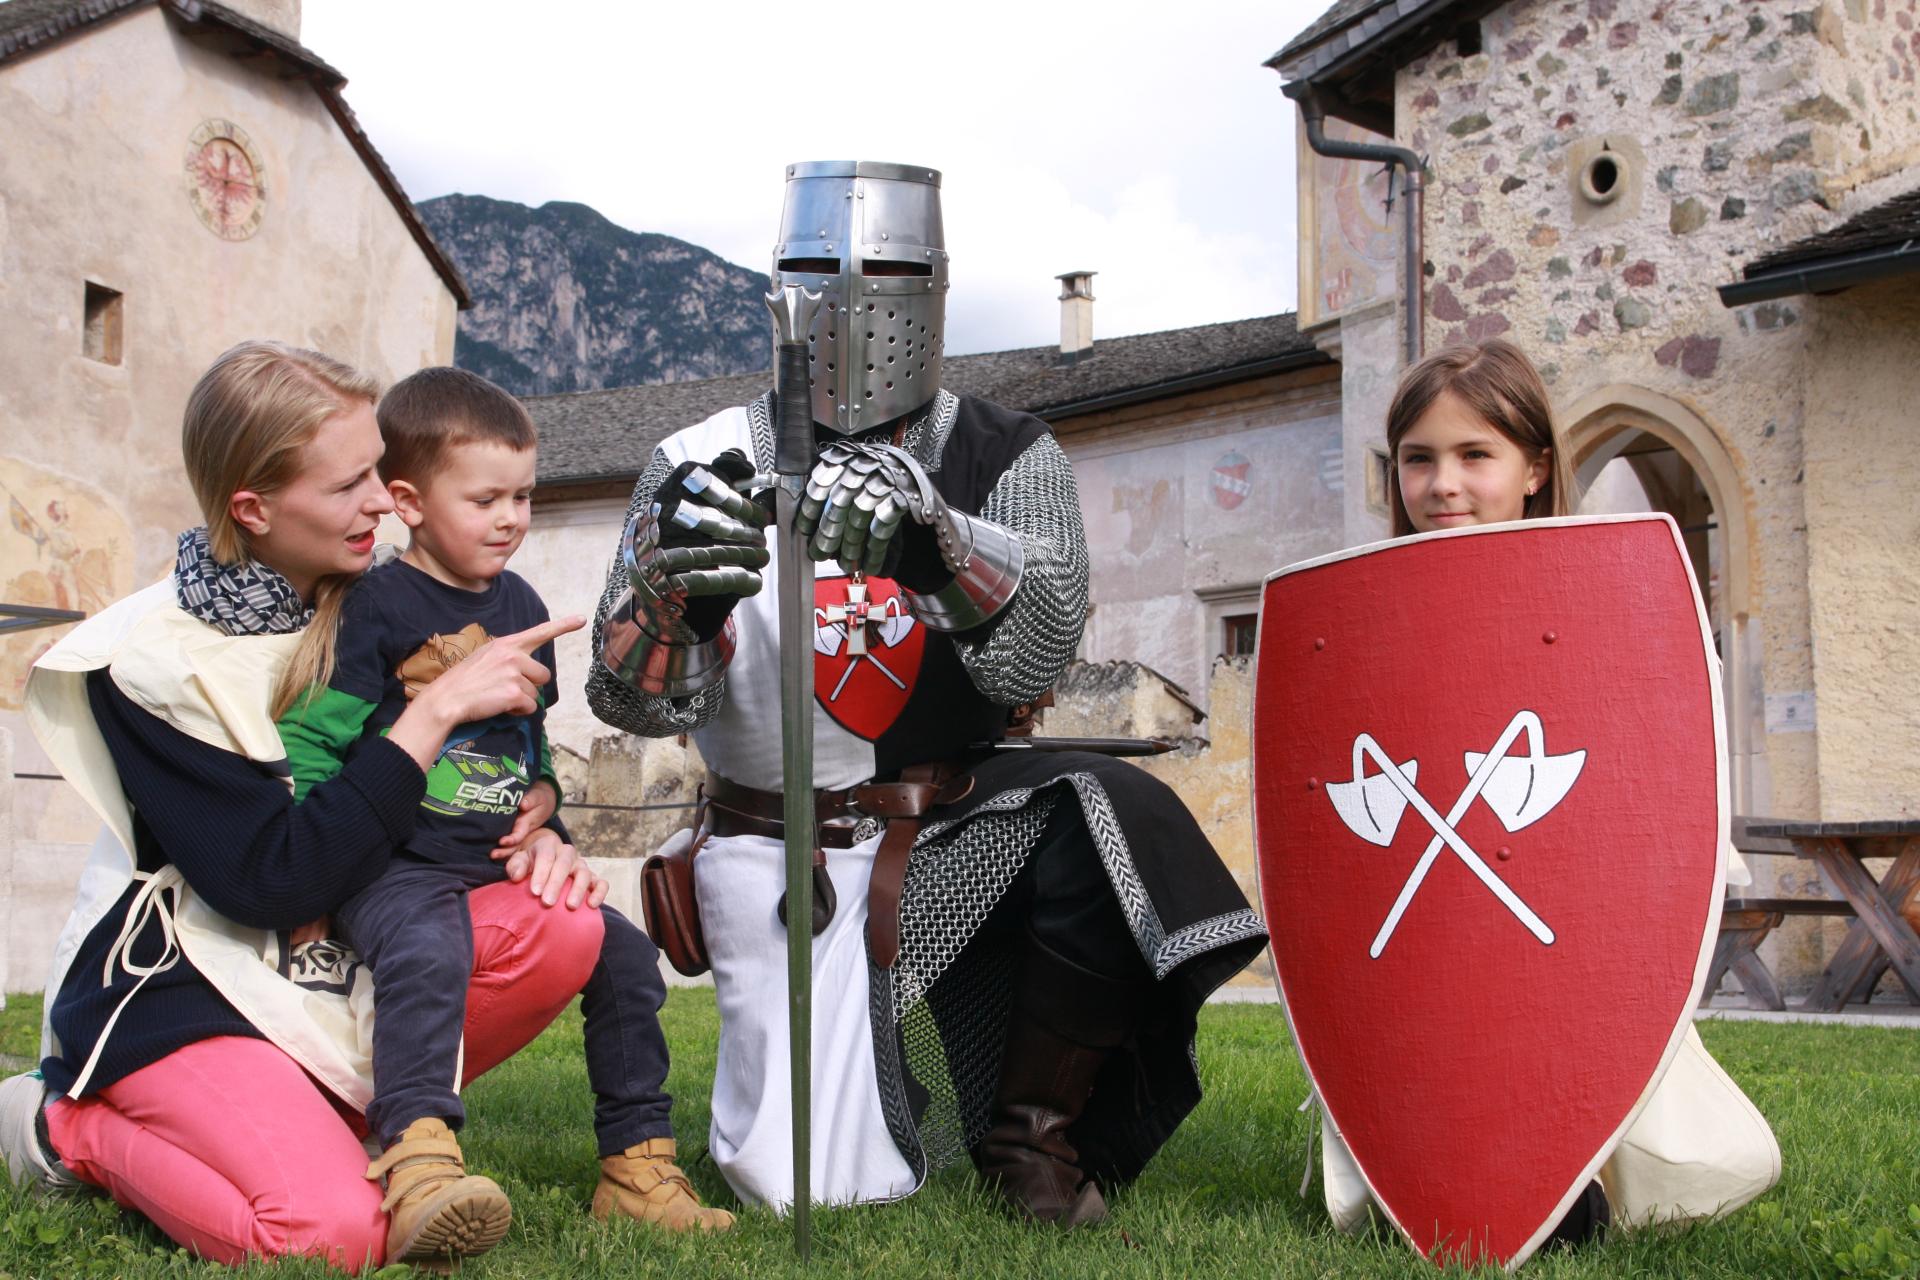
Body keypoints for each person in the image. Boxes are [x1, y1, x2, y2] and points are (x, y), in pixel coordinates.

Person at [585, 161, 1267, 1225]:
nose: (855, 299)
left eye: (891, 272)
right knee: (806, 1186)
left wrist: (944, 554)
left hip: (954, 823)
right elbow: (627, 702)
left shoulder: (1004, 455)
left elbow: (1035, 662)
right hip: (781, 844)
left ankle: (1031, 1135)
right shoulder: (696, 460)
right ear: (779, 287)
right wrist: (681, 608)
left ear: (936, 288)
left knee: (1108, 806)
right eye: (819, 268)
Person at [3, 341, 602, 1271]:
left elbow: (489, 754)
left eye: (378, 471)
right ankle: (61, 1124)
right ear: (254, 508)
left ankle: (352, 1120)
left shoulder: (379, 597)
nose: (384, 501)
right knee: (331, 1235)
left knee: (560, 922)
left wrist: (540, 818)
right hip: (185, 980)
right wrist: (433, 712)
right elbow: (270, 882)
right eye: (351, 484)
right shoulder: (149, 660)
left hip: (324, 956)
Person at [1309, 338, 1780, 1242]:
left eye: (1474, 454)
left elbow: (1654, 765)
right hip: (1433, 911)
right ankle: (1422, 1160)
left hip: (1564, 899)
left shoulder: (1613, 602)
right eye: (1419, 459)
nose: (1443, 484)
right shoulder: (1366, 621)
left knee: (1556, 1037)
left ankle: (1575, 1166)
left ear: (1533, 469)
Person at [271, 366, 733, 1264]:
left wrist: (548, 806)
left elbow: (527, 741)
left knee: (625, 957)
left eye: (522, 495)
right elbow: (312, 743)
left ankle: (636, 1169)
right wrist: (307, 885)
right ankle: (419, 1161)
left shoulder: (520, 604)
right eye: (484, 499)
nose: (511, 517)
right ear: (408, 502)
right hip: (393, 865)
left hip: (493, 858)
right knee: (428, 950)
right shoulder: (372, 605)